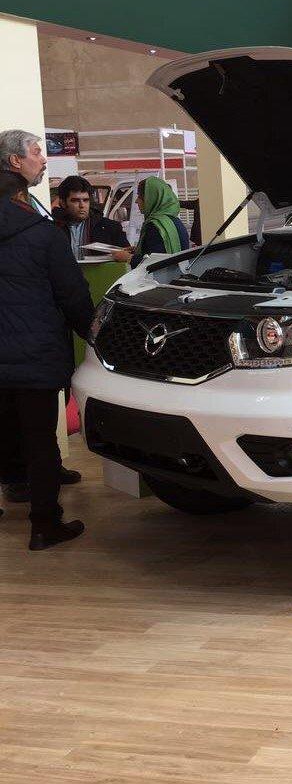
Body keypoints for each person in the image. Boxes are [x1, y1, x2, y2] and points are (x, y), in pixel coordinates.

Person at [0, 171, 94, 549]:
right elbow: (72, 294)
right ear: (22, 197)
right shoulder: (45, 235)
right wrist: (93, 335)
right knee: (40, 441)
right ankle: (44, 525)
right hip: (35, 356)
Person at [112, 176, 188, 268]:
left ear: (151, 198)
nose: (136, 201)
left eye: (139, 197)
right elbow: (162, 250)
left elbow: (156, 263)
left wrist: (128, 258)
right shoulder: (175, 221)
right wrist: (140, 249)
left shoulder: (155, 226)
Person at [54, 175, 129, 260]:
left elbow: (127, 256)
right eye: (75, 201)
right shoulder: (53, 228)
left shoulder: (110, 228)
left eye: (85, 200)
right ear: (63, 203)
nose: (82, 205)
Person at [0, 129, 53, 218]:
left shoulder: (25, 196)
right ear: (15, 161)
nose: (44, 160)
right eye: (36, 153)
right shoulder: (8, 203)